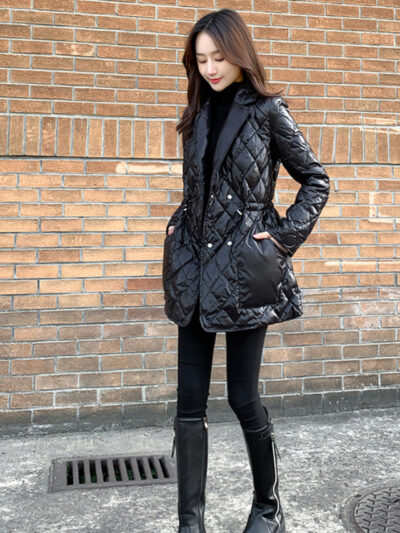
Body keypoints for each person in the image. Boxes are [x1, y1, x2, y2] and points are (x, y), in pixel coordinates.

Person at [162, 8, 330, 533]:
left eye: (219, 57)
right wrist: (177, 226)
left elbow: (316, 180)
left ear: (239, 54)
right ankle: (190, 523)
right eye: (201, 59)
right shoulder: (196, 113)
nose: (210, 68)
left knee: (242, 397)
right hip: (194, 272)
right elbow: (198, 192)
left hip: (243, 275)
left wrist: (282, 239)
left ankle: (267, 508)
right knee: (189, 404)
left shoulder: (267, 111)